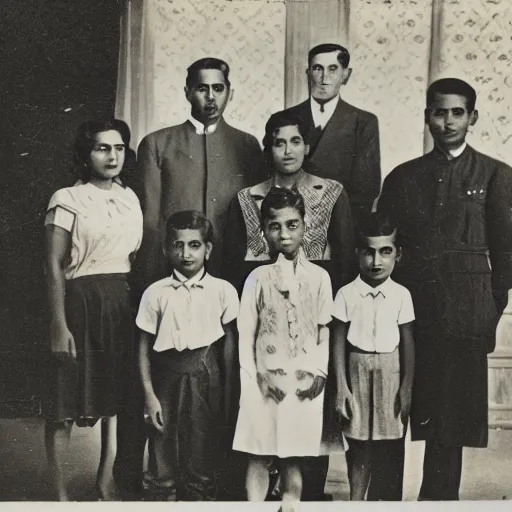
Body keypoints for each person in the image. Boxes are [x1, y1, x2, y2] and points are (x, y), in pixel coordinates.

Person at [378, 78, 512, 500]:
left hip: (464, 318)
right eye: (439, 112)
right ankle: (381, 500)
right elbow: (386, 245)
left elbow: (506, 257)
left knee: (448, 423)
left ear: (472, 117)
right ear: (427, 117)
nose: (448, 120)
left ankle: (437, 502)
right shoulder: (404, 177)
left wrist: (489, 312)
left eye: (457, 112)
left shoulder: (496, 175)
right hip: (411, 314)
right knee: (392, 409)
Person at [43, 119, 143, 501]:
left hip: (120, 302)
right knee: (64, 401)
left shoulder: (130, 197)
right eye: (102, 148)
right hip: (80, 302)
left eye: (118, 148)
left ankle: (104, 482)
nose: (112, 155)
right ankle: (59, 493)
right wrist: (58, 324)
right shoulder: (67, 198)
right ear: (86, 155)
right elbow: (52, 264)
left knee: (114, 399)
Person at [233, 187, 341, 511]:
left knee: (293, 455)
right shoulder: (256, 277)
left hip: (304, 381)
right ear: (264, 230)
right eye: (275, 226)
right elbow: (245, 334)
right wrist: (255, 380)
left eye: (292, 225)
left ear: (305, 225)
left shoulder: (320, 278)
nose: (284, 234)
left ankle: (290, 505)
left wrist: (319, 373)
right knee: (259, 451)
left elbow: (325, 331)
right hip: (263, 380)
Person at [133, 57, 266, 289]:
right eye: (202, 88)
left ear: (230, 92)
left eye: (218, 88)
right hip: (172, 271)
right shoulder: (156, 143)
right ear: (187, 92)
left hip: (232, 269)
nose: (211, 97)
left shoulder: (247, 145)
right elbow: (151, 222)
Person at [136, 210, 239, 501]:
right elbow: (143, 347)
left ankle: (199, 496)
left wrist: (227, 391)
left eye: (194, 245)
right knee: (162, 444)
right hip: (165, 376)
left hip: (206, 375)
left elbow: (230, 345)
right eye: (178, 245)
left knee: (202, 448)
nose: (186, 253)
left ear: (207, 249)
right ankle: (163, 491)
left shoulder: (223, 291)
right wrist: (149, 395)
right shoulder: (155, 293)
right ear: (167, 249)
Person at [223, 111, 355, 295]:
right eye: (279, 143)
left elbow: (346, 262)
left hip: (319, 295)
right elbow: (233, 267)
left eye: (295, 141)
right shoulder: (246, 199)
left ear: (306, 147)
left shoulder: (332, 192)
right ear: (269, 149)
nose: (288, 151)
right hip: (262, 295)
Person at [332, 214, 415, 500]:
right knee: (358, 443)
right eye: (368, 252)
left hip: (390, 371)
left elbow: (408, 344)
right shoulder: (346, 294)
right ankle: (356, 501)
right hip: (357, 369)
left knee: (388, 443)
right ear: (358, 253)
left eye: (385, 252)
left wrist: (406, 386)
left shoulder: (402, 295)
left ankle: (384, 503)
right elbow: (338, 340)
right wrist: (342, 385)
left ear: (397, 254)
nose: (376, 262)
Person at [267, 43, 381, 223]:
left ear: (346, 75)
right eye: (317, 69)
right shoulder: (281, 119)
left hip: (338, 227)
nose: (324, 78)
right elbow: (269, 180)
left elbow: (367, 189)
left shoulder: (364, 123)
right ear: (308, 73)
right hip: (287, 227)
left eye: (333, 69)